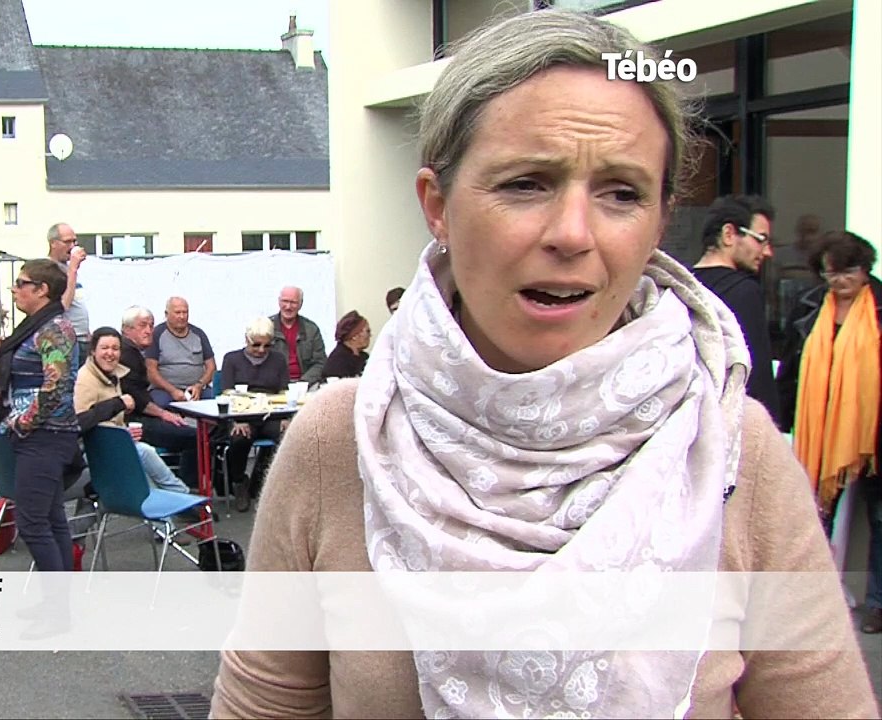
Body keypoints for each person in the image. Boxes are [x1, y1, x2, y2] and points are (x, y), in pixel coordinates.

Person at [211, 10, 876, 719]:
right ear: (437, 205)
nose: (571, 233)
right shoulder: (339, 446)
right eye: (526, 183)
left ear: (660, 218)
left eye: (621, 192)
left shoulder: (730, 454)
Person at [777, 231, 882, 634]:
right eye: (832, 273)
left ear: (865, 270)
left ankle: (875, 603)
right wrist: (783, 423)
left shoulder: (879, 308)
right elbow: (790, 369)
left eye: (849, 272)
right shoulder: (808, 308)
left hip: (870, 434)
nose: (840, 282)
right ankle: (811, 597)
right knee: (814, 514)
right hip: (818, 428)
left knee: (879, 518)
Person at [0, 259, 80, 573]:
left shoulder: (54, 329)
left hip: (45, 436)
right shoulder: (38, 326)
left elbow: (57, 384)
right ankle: (58, 606)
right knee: (51, 520)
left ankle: (56, 610)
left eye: (21, 283)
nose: (14, 289)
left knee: (32, 524)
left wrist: (24, 421)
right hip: (38, 436)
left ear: (42, 290)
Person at [691, 195, 780, 419]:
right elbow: (756, 376)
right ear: (729, 234)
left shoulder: (681, 285)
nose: (767, 252)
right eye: (761, 239)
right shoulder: (744, 291)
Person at [75, 326, 192, 495]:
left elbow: (111, 420)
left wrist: (124, 432)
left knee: (145, 458)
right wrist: (119, 407)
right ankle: (183, 500)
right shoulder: (85, 380)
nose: (110, 353)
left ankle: (180, 500)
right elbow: (80, 422)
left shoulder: (113, 375)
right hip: (91, 454)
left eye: (115, 349)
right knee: (145, 454)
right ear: (93, 351)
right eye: (105, 348)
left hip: (114, 445)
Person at [118, 306, 199, 487]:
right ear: (127, 329)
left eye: (151, 325)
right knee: (194, 437)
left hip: (137, 416)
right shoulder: (127, 355)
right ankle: (188, 492)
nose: (149, 330)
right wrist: (164, 414)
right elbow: (138, 399)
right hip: (133, 423)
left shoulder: (133, 352)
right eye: (143, 325)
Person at [218, 317, 288, 512]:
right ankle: (240, 482)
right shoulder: (232, 359)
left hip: (270, 414)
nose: (261, 350)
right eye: (256, 345)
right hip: (242, 415)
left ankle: (262, 480)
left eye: (267, 345)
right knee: (239, 438)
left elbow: (283, 391)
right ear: (246, 340)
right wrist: (238, 420)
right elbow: (227, 392)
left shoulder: (278, 359)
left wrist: (285, 418)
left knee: (288, 437)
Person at [146, 296, 217, 406]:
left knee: (215, 404)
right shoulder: (157, 334)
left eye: (185, 312)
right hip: (165, 390)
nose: (182, 316)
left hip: (198, 389)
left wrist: (198, 385)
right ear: (166, 314)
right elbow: (151, 371)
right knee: (159, 404)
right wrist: (173, 390)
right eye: (177, 312)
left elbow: (211, 367)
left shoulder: (199, 334)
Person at [46, 222, 90, 362]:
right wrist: (73, 269)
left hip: (82, 337)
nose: (72, 246)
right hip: (66, 339)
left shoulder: (69, 268)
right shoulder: (48, 269)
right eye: (67, 242)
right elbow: (65, 302)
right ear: (53, 243)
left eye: (74, 241)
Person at [269, 286, 327, 384]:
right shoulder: (267, 326)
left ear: (301, 304)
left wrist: (303, 383)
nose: (288, 307)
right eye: (285, 301)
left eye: (293, 302)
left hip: (307, 385)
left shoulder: (311, 329)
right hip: (275, 384)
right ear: (279, 302)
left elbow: (320, 362)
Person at [322, 310, 371, 380]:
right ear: (354, 336)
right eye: (368, 331)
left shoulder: (365, 358)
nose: (370, 335)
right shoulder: (337, 362)